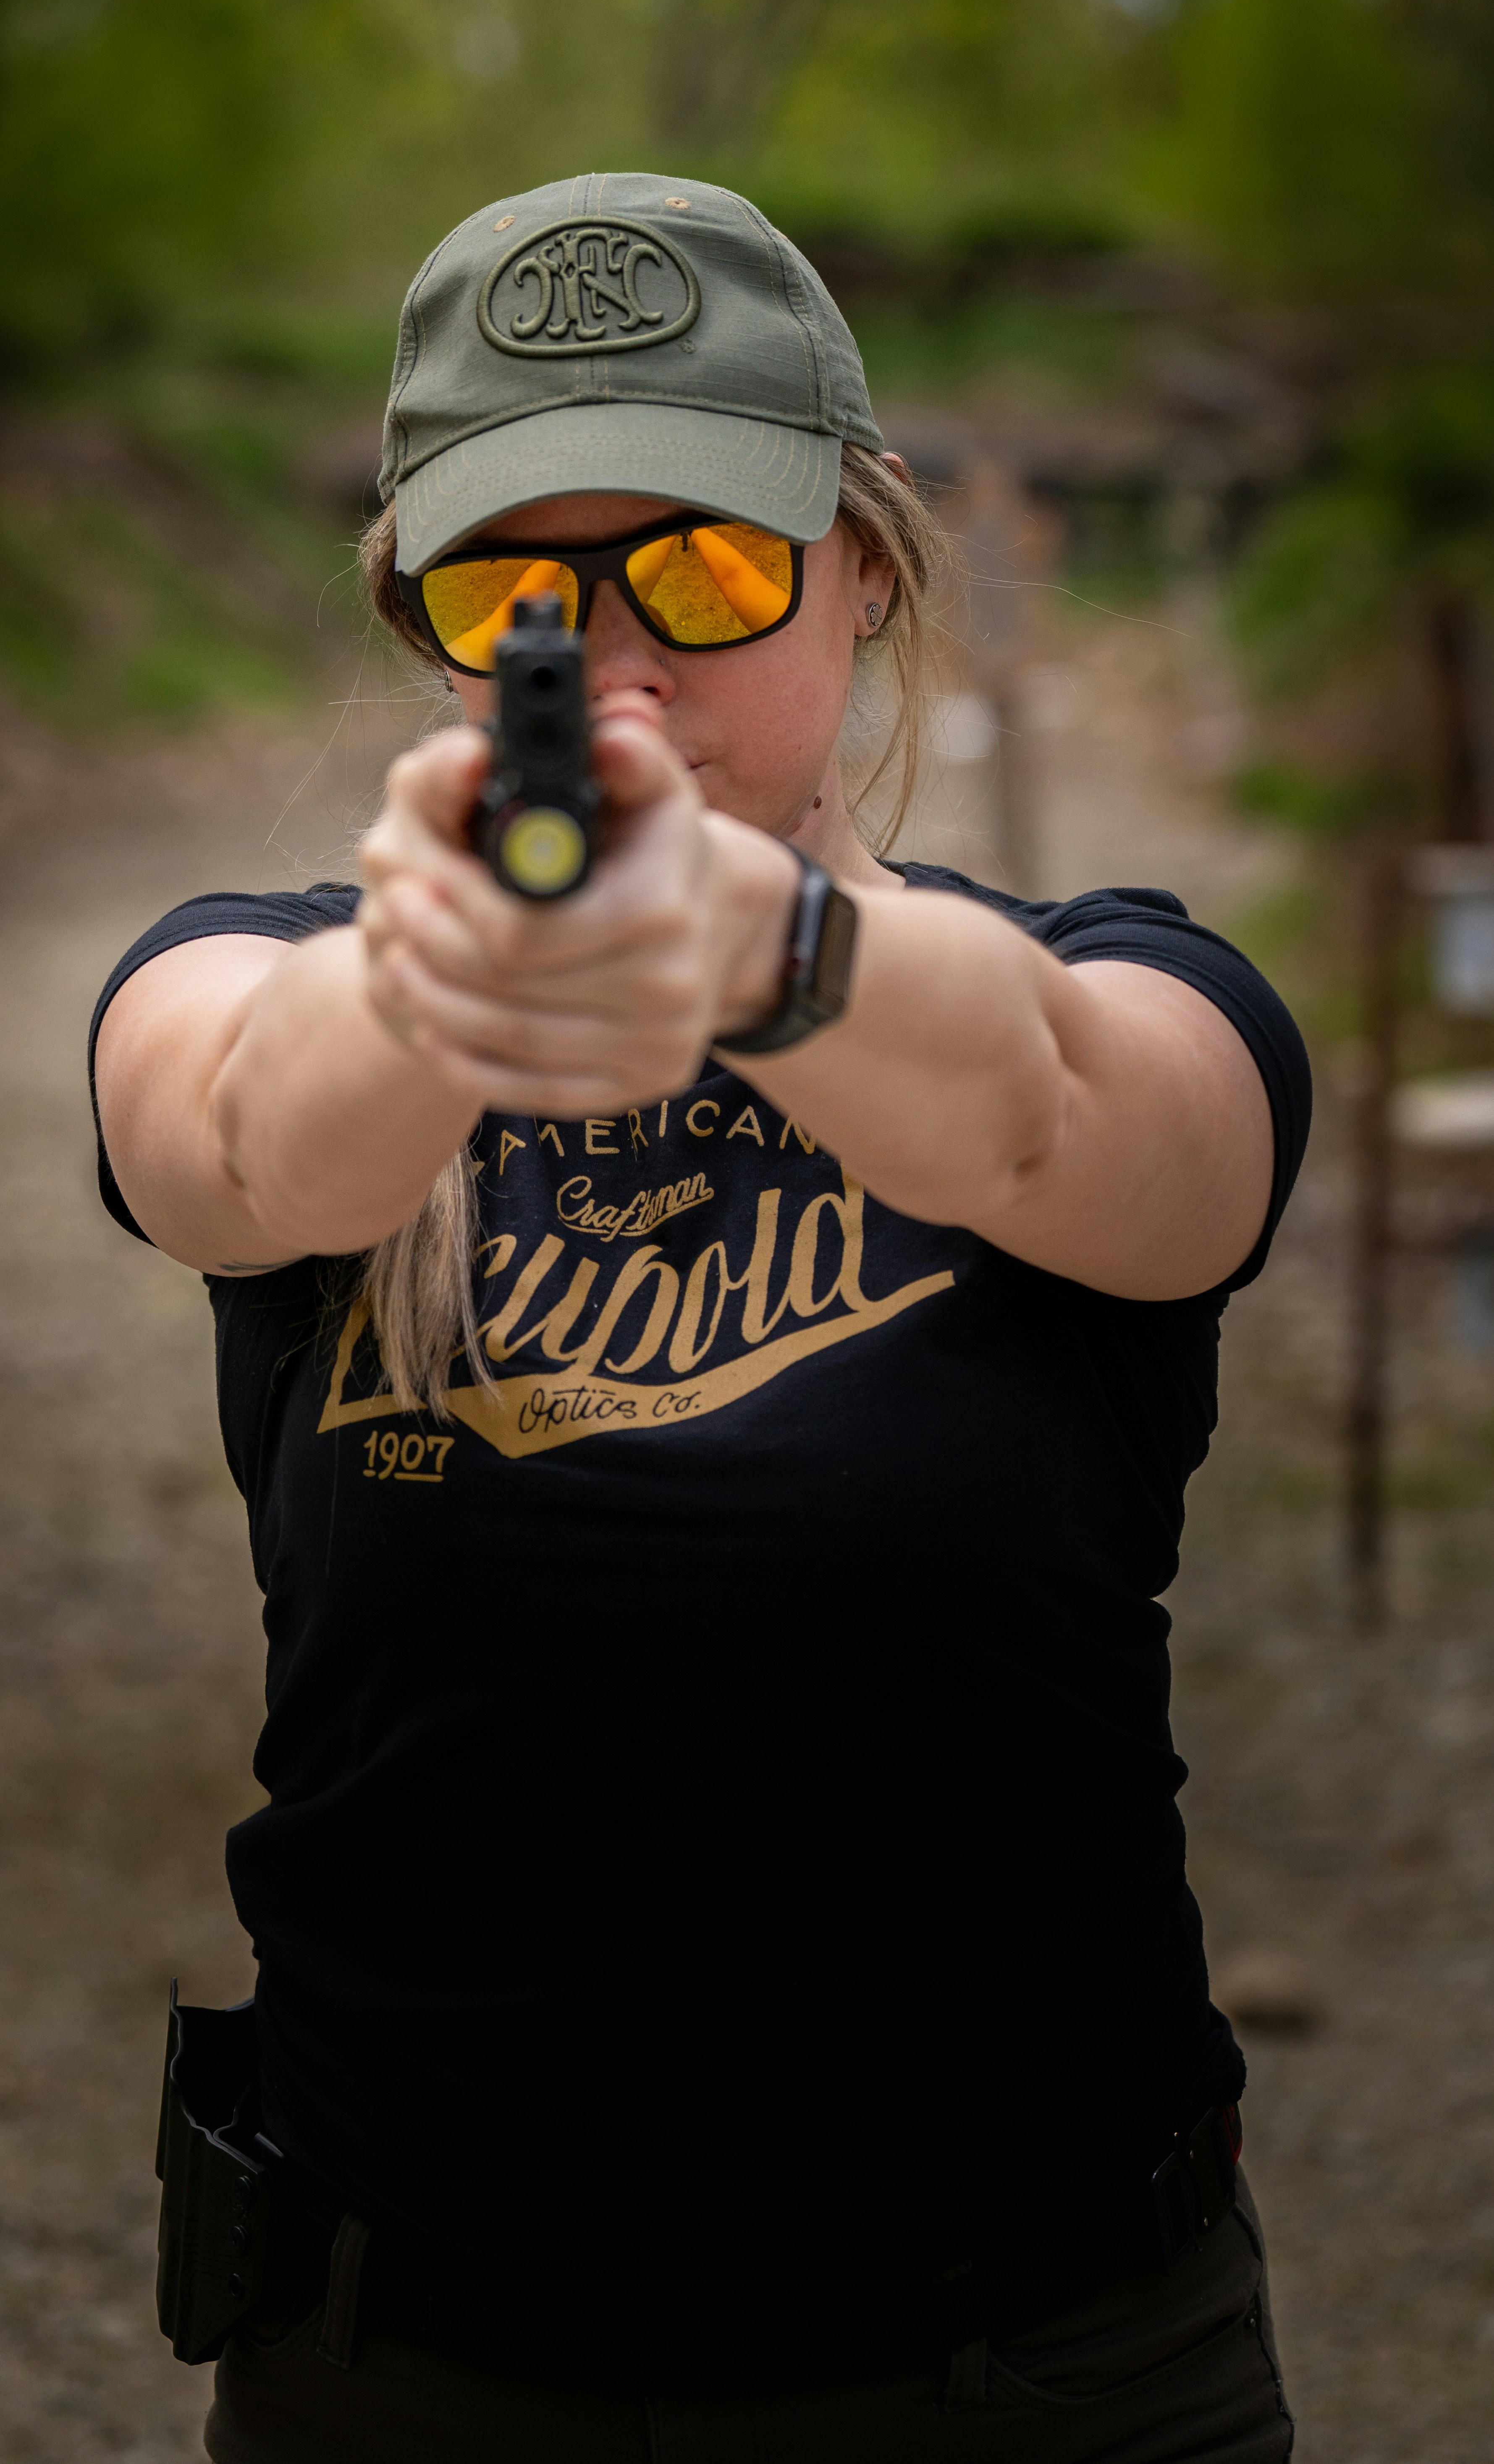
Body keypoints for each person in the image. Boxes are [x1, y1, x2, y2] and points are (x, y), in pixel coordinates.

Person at [90, 173, 1305, 2461]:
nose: (617, 659)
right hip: (409, 2360)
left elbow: (1068, 1116)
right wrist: (437, 980)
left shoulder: (1131, 986)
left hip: (1032, 2361)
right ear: (431, 621)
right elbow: (248, 1140)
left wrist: (769, 954)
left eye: (710, 565)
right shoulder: (263, 968)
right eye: (520, 585)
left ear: (865, 568)